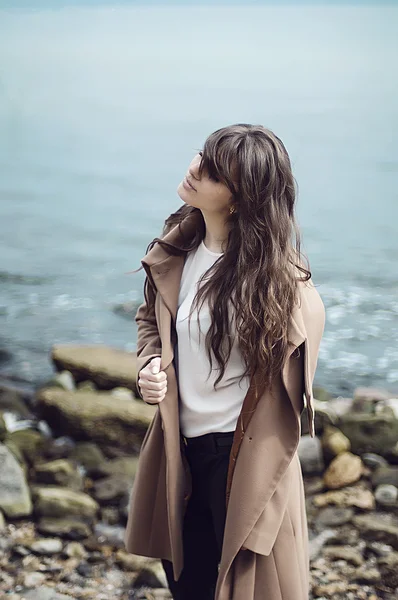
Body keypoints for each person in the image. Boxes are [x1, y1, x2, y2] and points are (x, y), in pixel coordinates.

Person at [124, 123, 326, 600]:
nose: (195, 168)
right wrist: (150, 366)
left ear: (238, 199)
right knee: (187, 585)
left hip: (239, 459)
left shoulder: (276, 284)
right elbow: (150, 318)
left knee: (246, 587)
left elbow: (297, 367)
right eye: (202, 155)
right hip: (182, 450)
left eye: (212, 171)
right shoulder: (181, 244)